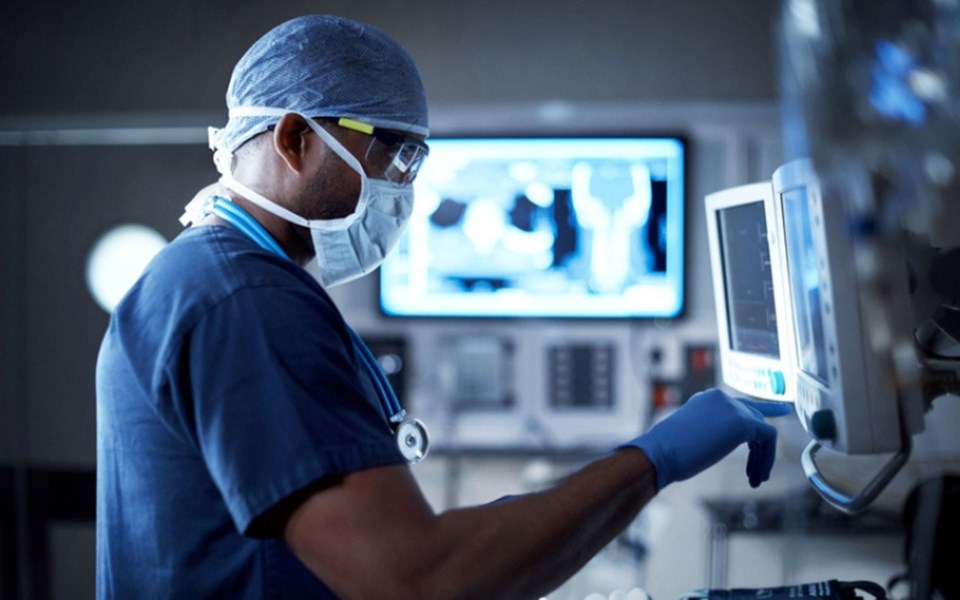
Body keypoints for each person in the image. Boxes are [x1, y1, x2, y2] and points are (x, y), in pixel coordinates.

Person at [95, 14, 792, 599]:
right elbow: (419, 581)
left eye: (417, 164)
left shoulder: (203, 278)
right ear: (295, 138)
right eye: (393, 157)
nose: (405, 191)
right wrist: (656, 458)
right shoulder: (245, 299)